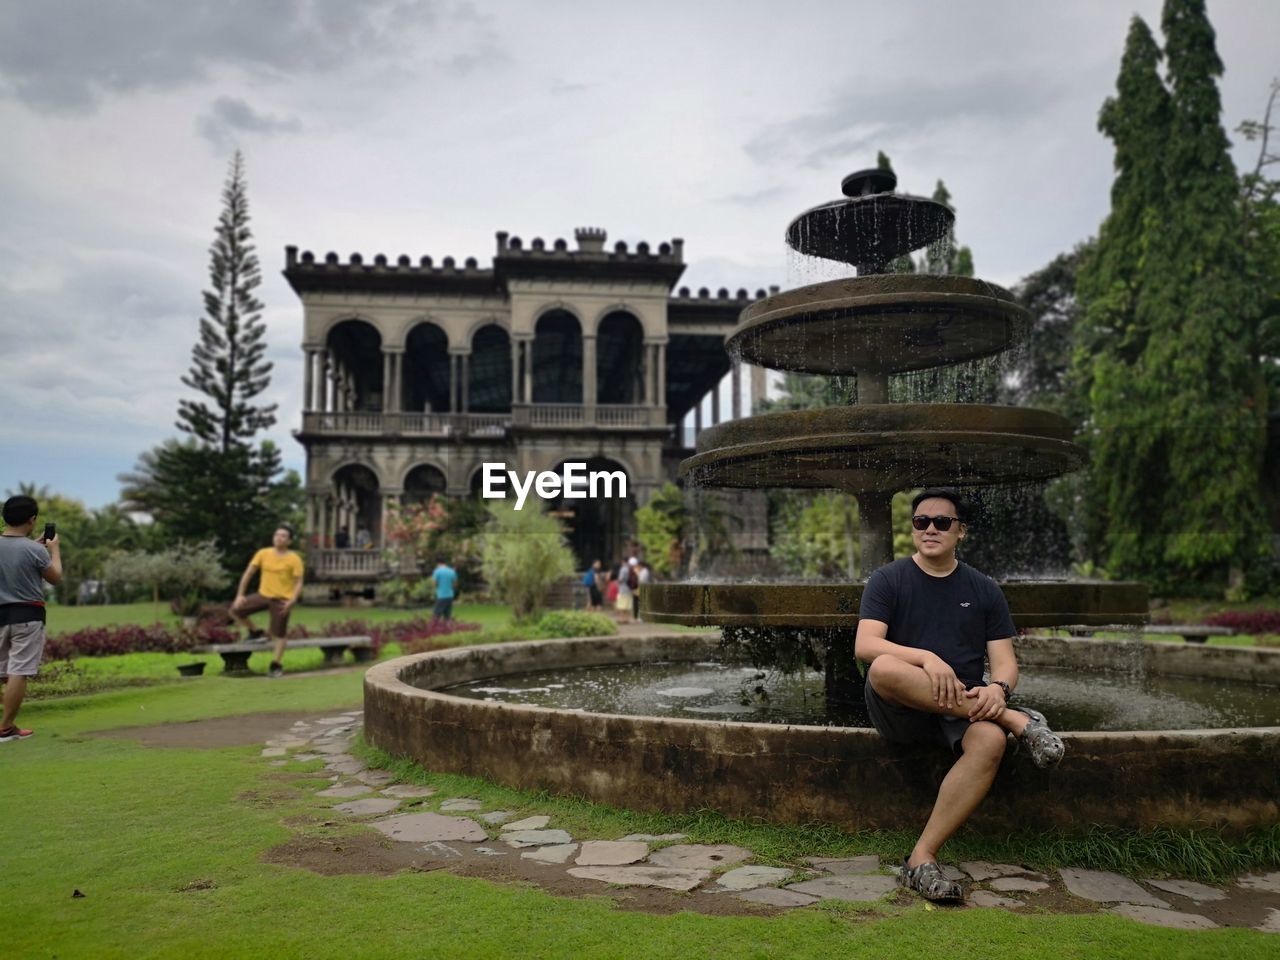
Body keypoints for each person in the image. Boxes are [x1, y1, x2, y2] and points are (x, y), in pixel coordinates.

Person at [855, 487, 1065, 902]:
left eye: (942, 522)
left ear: (961, 531)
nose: (930, 529)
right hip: (901, 705)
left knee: (990, 740)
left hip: (961, 711)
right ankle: (1017, 720)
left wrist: (998, 689)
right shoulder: (888, 580)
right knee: (883, 667)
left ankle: (921, 858)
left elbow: (1005, 663)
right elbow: (866, 645)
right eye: (920, 522)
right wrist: (928, 659)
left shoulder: (984, 589)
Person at [0, 496, 62, 742]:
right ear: (32, 519)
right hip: (27, 615)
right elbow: (55, 577)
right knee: (19, 670)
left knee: (3, 669)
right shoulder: (34, 549)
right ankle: (5, 727)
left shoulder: (30, 547)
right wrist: (54, 550)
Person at [231, 525, 305, 678]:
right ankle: (255, 632)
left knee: (279, 633)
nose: (279, 537)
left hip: (282, 600)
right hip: (263, 595)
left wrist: (293, 600)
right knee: (235, 610)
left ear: (289, 541)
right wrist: (240, 595)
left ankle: (276, 665)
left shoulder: (294, 558)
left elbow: (298, 582)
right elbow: (248, 573)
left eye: (283, 536)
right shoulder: (263, 553)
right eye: (277, 534)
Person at [431, 558, 457, 622]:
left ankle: (434, 627)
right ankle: (447, 627)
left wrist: (438, 586)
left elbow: (434, 583)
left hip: (441, 596)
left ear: (438, 564)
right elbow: (455, 584)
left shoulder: (437, 571)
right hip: (450, 595)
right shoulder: (452, 571)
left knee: (436, 613)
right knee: (447, 614)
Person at [614, 557, 636, 624]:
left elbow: (621, 579)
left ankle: (622, 619)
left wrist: (617, 582)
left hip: (623, 589)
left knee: (621, 605)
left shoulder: (623, 568)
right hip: (629, 589)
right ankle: (627, 619)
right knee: (627, 605)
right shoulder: (630, 568)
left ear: (623, 561)